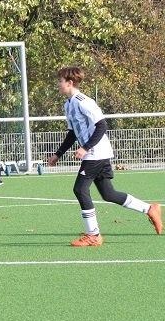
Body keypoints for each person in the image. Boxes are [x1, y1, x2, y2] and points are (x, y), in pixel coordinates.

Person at [48, 66, 162, 246]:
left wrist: (85, 148)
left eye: (60, 81)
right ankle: (149, 209)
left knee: (80, 189)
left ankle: (93, 234)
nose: (57, 84)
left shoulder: (84, 102)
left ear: (69, 83)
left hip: (96, 153)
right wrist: (58, 153)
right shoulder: (68, 104)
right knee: (108, 194)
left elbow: (102, 126)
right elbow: (73, 133)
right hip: (94, 153)